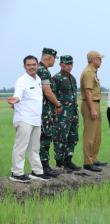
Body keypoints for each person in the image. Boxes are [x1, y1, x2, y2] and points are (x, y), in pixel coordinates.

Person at [7, 55, 50, 182]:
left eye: (33, 64)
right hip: (24, 119)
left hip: (36, 119)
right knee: (21, 146)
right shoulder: (21, 81)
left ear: (37, 65)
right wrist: (16, 99)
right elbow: (18, 94)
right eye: (28, 65)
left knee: (35, 147)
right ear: (24, 66)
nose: (31, 67)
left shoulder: (37, 79)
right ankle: (17, 173)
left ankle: (36, 172)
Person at [52, 55, 81, 171]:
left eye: (70, 64)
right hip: (61, 115)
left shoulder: (72, 78)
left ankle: (68, 161)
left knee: (73, 137)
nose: (69, 66)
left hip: (73, 113)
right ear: (61, 65)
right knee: (60, 138)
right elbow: (52, 95)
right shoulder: (56, 78)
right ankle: (59, 163)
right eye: (66, 64)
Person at [80, 51, 107, 172]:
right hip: (90, 104)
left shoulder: (93, 72)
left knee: (96, 135)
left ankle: (94, 159)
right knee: (90, 135)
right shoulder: (88, 72)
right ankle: (88, 162)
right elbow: (88, 92)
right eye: (100, 59)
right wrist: (92, 109)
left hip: (95, 103)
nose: (101, 61)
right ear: (93, 59)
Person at [37, 48, 62, 178]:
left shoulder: (42, 70)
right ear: (49, 58)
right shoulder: (43, 71)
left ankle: (43, 166)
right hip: (44, 112)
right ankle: (43, 167)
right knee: (45, 139)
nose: (54, 61)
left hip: (44, 111)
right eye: (54, 59)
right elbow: (47, 91)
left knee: (44, 138)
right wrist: (58, 104)